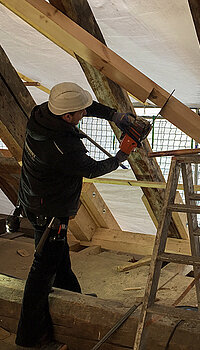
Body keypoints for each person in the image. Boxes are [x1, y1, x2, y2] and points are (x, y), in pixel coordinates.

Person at [15, 82, 138, 349]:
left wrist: (113, 115)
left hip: (36, 200)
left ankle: (74, 301)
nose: (84, 113)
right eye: (80, 113)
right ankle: (31, 338)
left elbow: (84, 105)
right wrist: (122, 155)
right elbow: (92, 169)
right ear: (67, 117)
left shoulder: (42, 114)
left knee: (58, 258)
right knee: (41, 274)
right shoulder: (61, 146)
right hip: (49, 211)